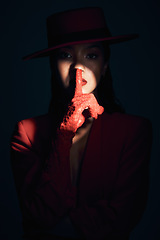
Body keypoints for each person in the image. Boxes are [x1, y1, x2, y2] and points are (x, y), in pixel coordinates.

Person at [10, 7, 152, 240]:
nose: (78, 66)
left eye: (91, 55)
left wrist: (54, 230)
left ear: (105, 66)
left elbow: (123, 215)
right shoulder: (26, 132)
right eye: (66, 55)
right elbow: (39, 212)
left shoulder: (133, 131)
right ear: (53, 67)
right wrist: (64, 134)